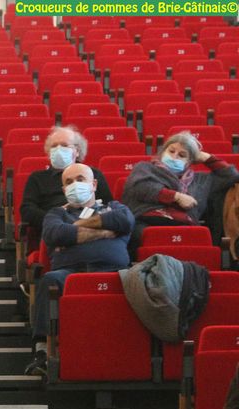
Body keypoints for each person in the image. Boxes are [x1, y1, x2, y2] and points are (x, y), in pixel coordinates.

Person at [25, 163, 134, 376]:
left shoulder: (115, 207)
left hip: (112, 273)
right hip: (69, 274)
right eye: (69, 182)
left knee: (138, 283)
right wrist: (104, 232)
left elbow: (124, 221)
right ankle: (42, 352)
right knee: (49, 279)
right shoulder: (56, 213)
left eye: (80, 179)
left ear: (94, 184)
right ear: (64, 189)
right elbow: (55, 233)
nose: (75, 184)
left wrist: (75, 230)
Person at [122, 131, 239, 255]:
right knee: (144, 235)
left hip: (185, 225)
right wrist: (176, 197)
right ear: (163, 152)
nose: (174, 156)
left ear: (189, 162)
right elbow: (141, 188)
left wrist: (207, 158)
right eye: (171, 151)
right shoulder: (145, 168)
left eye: (182, 155)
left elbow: (232, 177)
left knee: (200, 241)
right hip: (148, 221)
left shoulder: (201, 180)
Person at [19, 126, 113, 253]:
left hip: (92, 227)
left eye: (64, 145)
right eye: (54, 146)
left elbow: (108, 205)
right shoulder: (37, 178)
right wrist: (56, 220)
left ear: (77, 151)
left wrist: (87, 223)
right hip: (57, 232)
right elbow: (27, 211)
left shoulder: (93, 174)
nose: (58, 150)